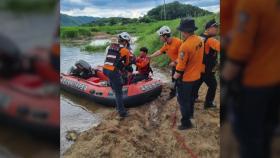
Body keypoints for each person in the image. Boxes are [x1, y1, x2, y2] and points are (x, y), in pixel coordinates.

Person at [222, 0, 280, 157]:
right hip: (275, 77)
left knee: (249, 138)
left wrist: (225, 83)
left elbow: (238, 55)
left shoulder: (249, 4)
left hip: (254, 82)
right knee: (267, 130)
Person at [173, 18, 204, 130]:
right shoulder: (200, 40)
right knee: (191, 98)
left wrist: (175, 76)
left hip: (186, 79)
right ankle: (190, 114)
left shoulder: (184, 46)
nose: (181, 33)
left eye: (181, 31)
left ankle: (186, 123)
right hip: (197, 76)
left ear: (184, 31)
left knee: (183, 101)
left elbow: (181, 67)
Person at [103, 32, 131, 118]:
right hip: (113, 71)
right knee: (119, 92)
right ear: (125, 42)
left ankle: (118, 106)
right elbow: (127, 63)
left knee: (114, 88)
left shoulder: (110, 47)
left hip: (105, 69)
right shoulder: (126, 50)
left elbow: (106, 59)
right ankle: (122, 113)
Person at [149, 26, 182, 99]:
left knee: (180, 81)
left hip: (182, 66)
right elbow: (160, 51)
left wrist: (175, 62)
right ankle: (173, 94)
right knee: (173, 79)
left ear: (165, 36)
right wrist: (150, 56)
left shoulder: (178, 42)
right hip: (175, 65)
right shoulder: (166, 44)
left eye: (161, 36)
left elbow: (183, 55)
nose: (160, 38)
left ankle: (181, 95)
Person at [194, 19, 220, 109]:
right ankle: (208, 103)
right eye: (215, 27)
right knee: (213, 85)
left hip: (199, 66)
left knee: (198, 82)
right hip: (207, 68)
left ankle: (192, 97)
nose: (217, 29)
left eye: (217, 27)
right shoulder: (211, 40)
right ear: (208, 29)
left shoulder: (199, 37)